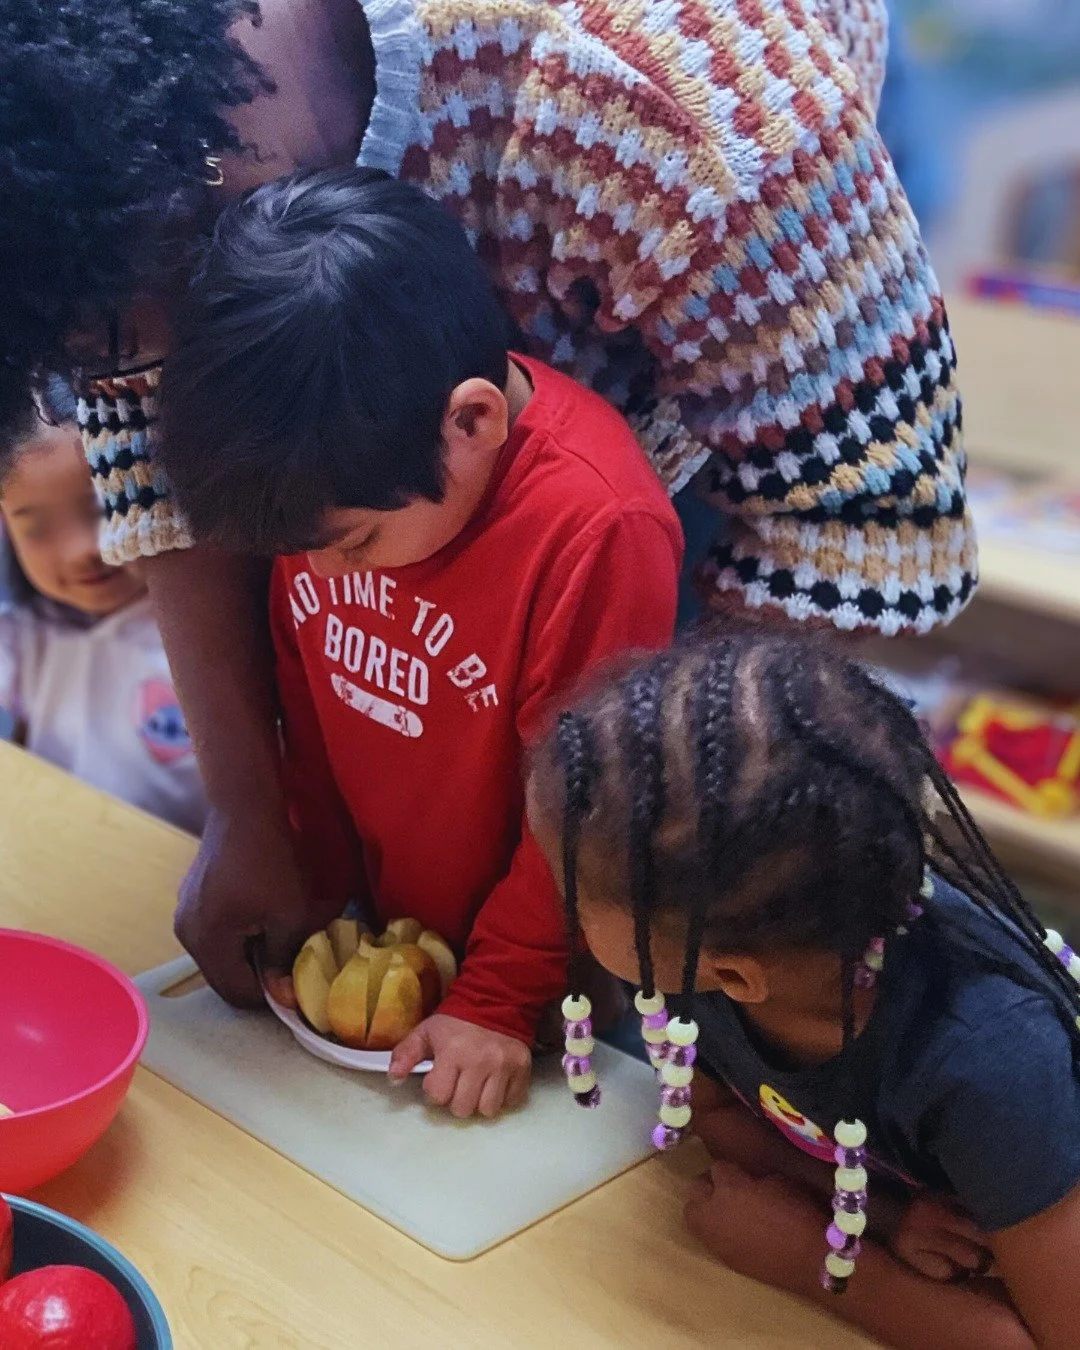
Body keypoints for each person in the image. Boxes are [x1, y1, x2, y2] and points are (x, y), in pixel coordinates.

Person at [0, 0, 973, 1008]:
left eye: (146, 345)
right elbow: (148, 419)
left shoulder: (693, 121)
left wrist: (572, 925)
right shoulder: (98, 204)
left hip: (704, 350)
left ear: (202, 208)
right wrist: (250, 812)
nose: (134, 378)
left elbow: (865, 533)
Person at [157, 168, 683, 1117]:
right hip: (391, 944)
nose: (319, 579)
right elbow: (311, 706)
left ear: (472, 423)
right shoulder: (323, 479)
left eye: (352, 544)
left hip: (538, 989)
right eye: (295, 555)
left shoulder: (599, 529)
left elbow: (589, 816)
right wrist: (310, 890)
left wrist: (497, 995)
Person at [527, 630, 1080, 1349]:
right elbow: (713, 1109)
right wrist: (878, 1219)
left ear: (733, 978)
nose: (560, 908)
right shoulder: (699, 946)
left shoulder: (993, 1063)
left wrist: (808, 1259)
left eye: (575, 898)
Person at [0, 379, 205, 835]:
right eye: (36, 529)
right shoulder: (26, 638)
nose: (80, 551)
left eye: (98, 509)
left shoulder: (205, 639)